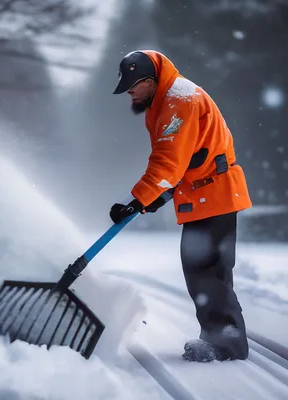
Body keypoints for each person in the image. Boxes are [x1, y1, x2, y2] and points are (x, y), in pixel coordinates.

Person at [109, 50, 252, 362]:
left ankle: (227, 342)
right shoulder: (166, 101)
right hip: (204, 194)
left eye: (134, 86)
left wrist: (137, 200)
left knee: (206, 270)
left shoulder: (179, 100)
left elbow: (168, 161)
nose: (130, 93)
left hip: (213, 193)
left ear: (151, 80)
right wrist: (158, 195)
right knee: (205, 270)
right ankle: (221, 337)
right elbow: (183, 159)